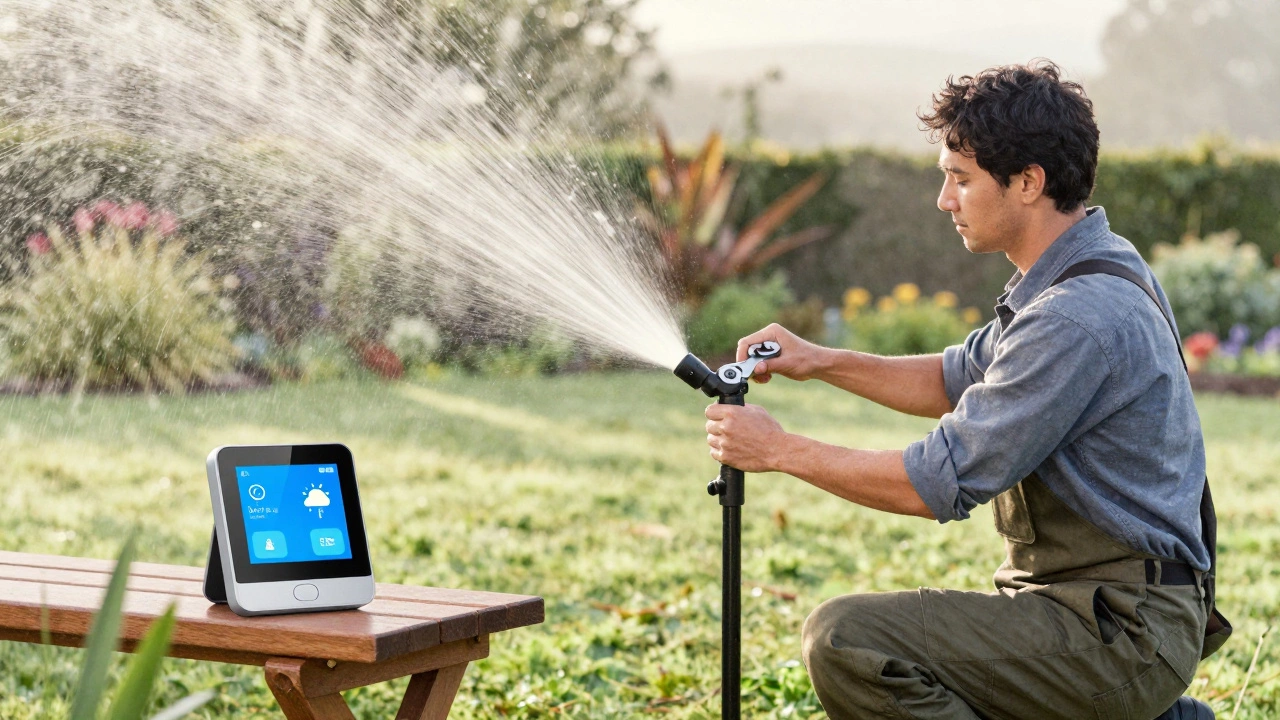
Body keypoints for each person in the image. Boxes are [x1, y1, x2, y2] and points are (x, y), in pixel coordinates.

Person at [704, 61, 1224, 720]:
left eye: (960, 179)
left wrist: (778, 450)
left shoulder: (1075, 315)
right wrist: (820, 359)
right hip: (1107, 610)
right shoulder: (1083, 270)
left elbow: (932, 483)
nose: (945, 200)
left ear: (1028, 183)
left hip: (1121, 632)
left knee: (848, 642)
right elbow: (954, 377)